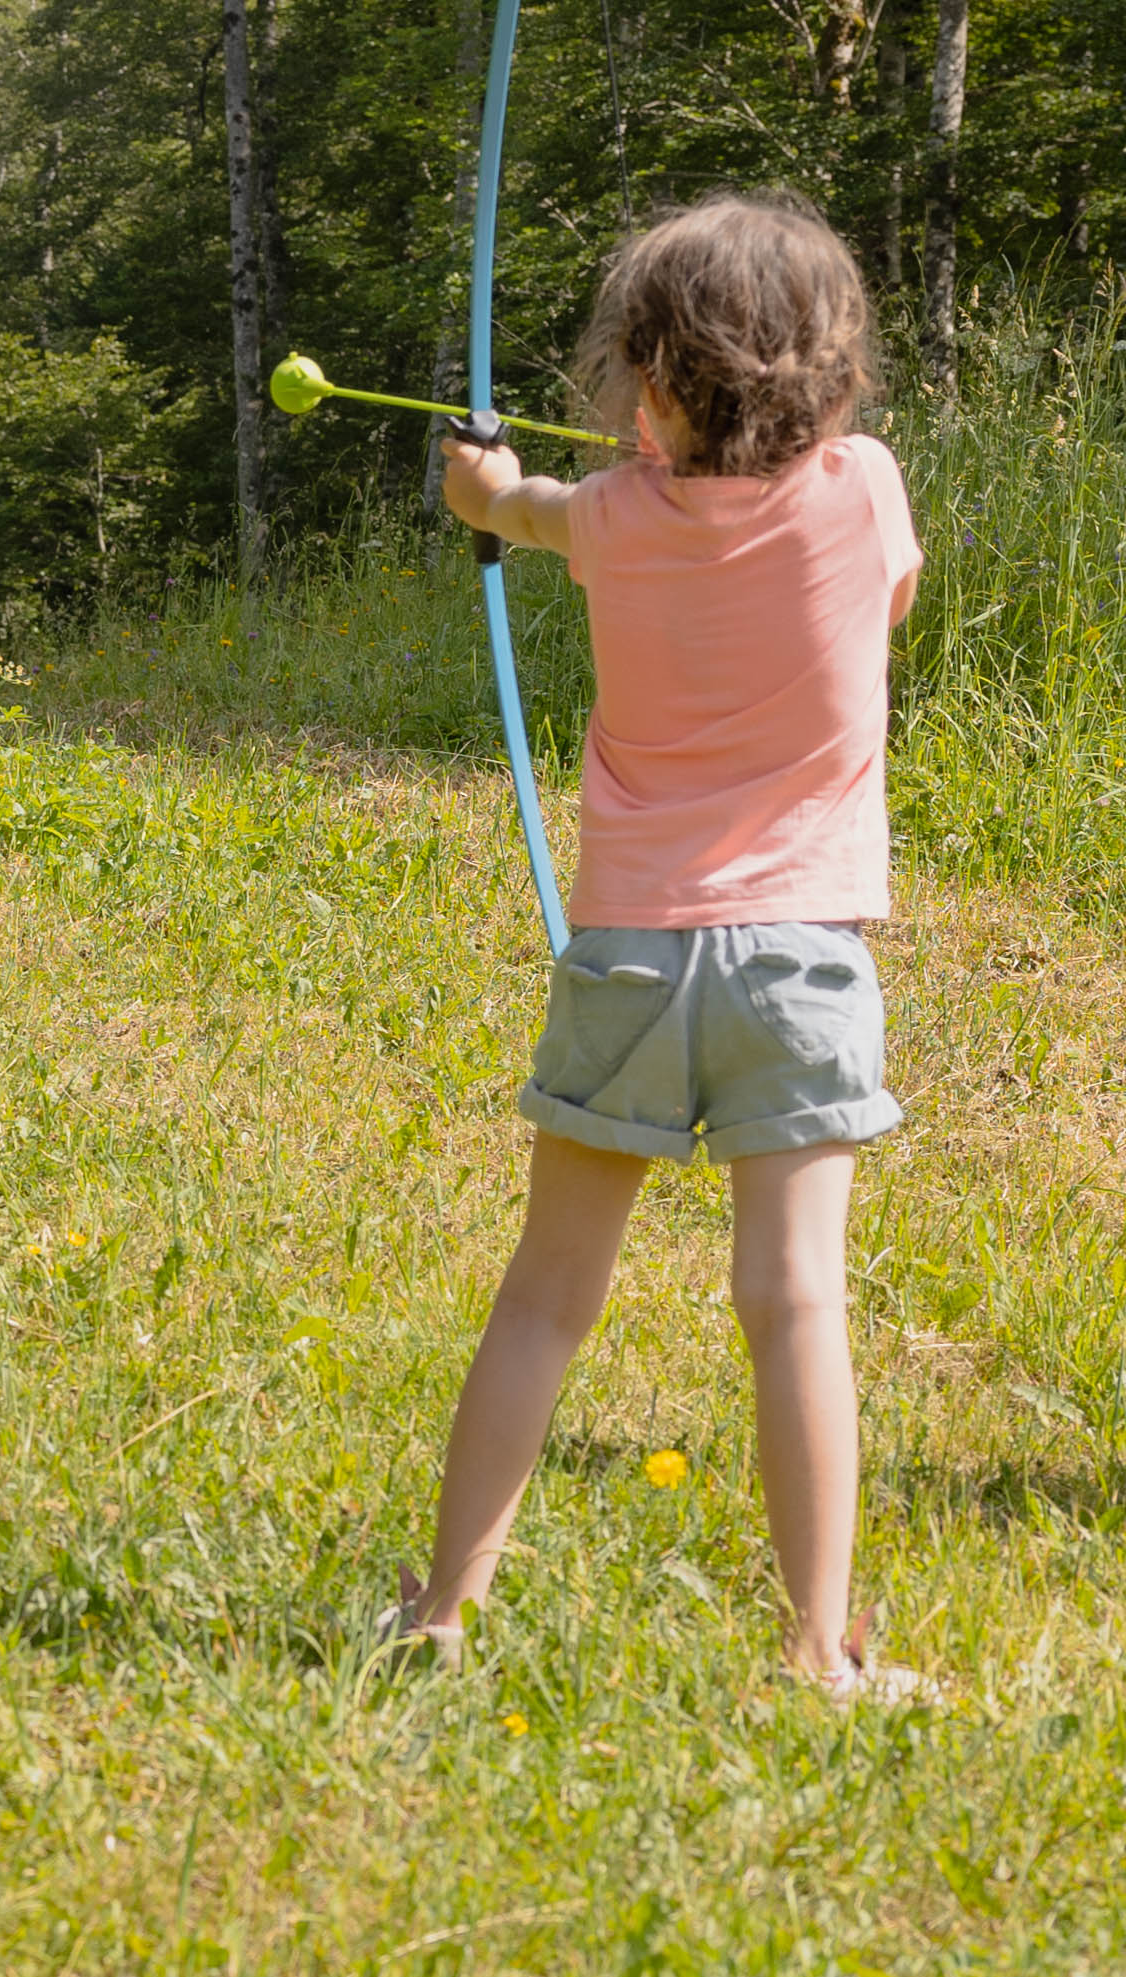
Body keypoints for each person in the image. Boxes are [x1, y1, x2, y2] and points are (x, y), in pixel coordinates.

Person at [398, 191, 924, 1695]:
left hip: (629, 953)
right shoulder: (861, 490)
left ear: (652, 377)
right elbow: (884, 597)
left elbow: (511, 508)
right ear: (826, 373)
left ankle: (440, 1618)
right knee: (796, 1298)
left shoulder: (610, 519)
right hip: (799, 963)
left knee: (545, 1295)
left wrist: (483, 486)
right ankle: (816, 1651)